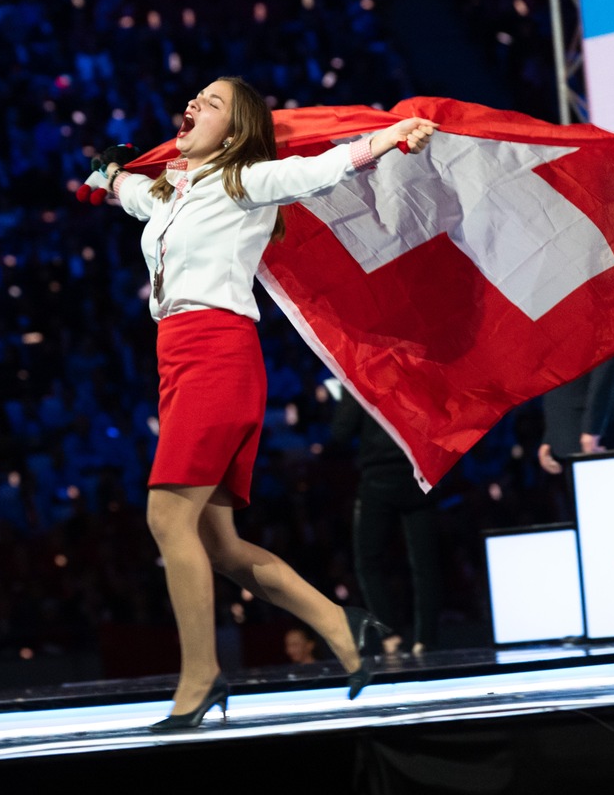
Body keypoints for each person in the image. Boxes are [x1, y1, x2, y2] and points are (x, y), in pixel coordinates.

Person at [101, 75, 437, 730]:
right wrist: (105, 176)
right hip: (177, 362)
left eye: (213, 102)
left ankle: (201, 678)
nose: (194, 104)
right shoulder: (172, 192)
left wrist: (389, 138)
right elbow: (130, 193)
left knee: (168, 520)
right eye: (194, 98)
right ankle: (344, 627)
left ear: (235, 130)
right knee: (219, 546)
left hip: (218, 357)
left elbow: (318, 172)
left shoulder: (245, 181)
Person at [329, 391, 442, 658]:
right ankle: (426, 640)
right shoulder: (415, 367)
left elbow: (341, 431)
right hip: (420, 473)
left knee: (368, 562)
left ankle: (389, 636)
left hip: (378, 477)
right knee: (426, 564)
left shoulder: (361, 372)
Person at [537, 350, 614, 518]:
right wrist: (550, 435)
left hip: (601, 436)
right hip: (570, 434)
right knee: (589, 522)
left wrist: (593, 429)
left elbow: (608, 366)